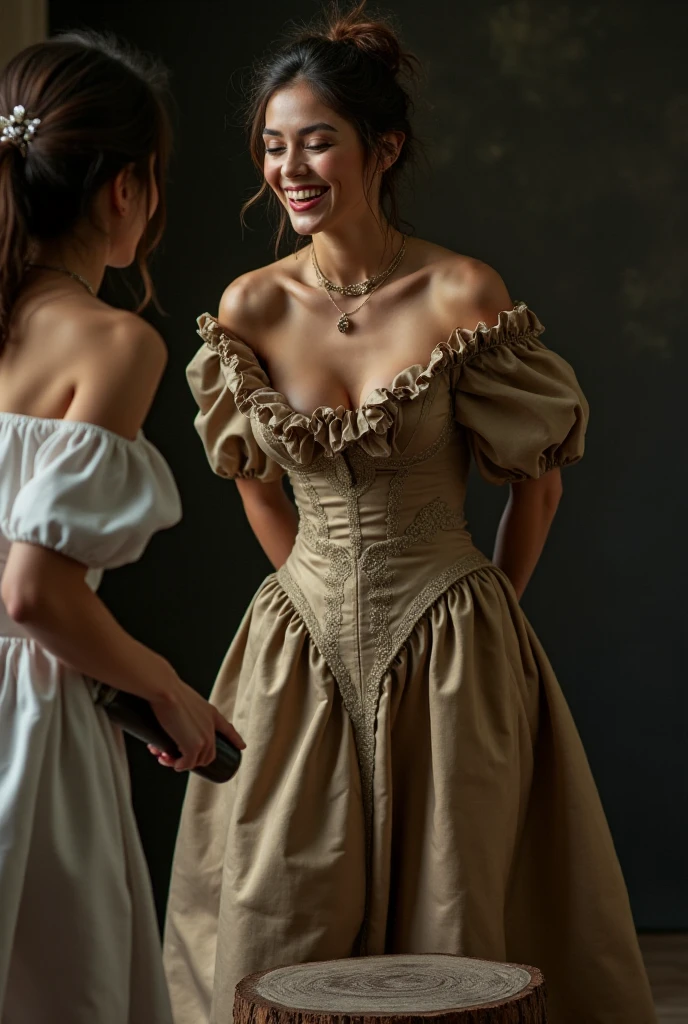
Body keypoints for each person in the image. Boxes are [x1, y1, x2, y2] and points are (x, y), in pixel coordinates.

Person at [163, 5, 656, 1023]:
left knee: (454, 914)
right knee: (277, 908)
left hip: (456, 637)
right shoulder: (250, 305)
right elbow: (252, 476)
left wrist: (492, 615)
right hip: (294, 643)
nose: (290, 167)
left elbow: (539, 479)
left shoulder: (460, 291)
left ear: (381, 149)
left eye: (316, 141)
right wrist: (308, 589)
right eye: (271, 144)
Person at [0, 32, 244, 1024]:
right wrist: (168, 689)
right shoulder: (112, 341)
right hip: (26, 725)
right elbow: (34, 594)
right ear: (126, 188)